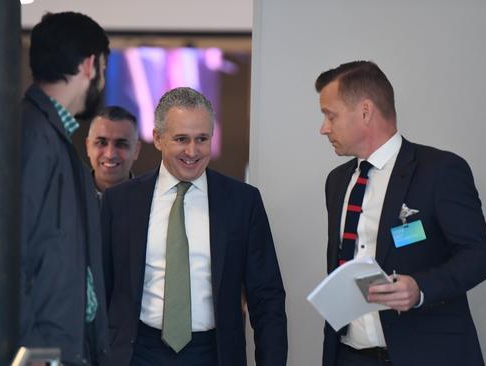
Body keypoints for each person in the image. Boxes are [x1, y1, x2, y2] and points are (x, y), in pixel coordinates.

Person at [316, 61, 486, 366]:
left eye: (330, 116)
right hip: (349, 356)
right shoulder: (337, 182)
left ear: (365, 111)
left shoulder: (440, 171)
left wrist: (421, 288)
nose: (324, 128)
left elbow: (479, 256)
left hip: (426, 354)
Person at [100, 87, 287, 366]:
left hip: (214, 353)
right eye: (181, 139)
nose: (192, 151)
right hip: (136, 352)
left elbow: (266, 298)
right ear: (158, 138)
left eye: (202, 139)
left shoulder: (242, 201)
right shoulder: (120, 201)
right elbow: (101, 289)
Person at [19, 12, 110, 365]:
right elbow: (8, 253)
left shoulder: (51, 136)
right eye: (103, 67)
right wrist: (33, 349)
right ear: (90, 65)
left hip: (60, 349)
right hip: (43, 352)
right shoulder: (35, 137)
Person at [86, 106, 141, 198]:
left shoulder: (154, 203)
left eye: (121, 144)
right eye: (101, 143)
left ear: (136, 150)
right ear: (88, 146)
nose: (110, 154)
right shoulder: (64, 197)